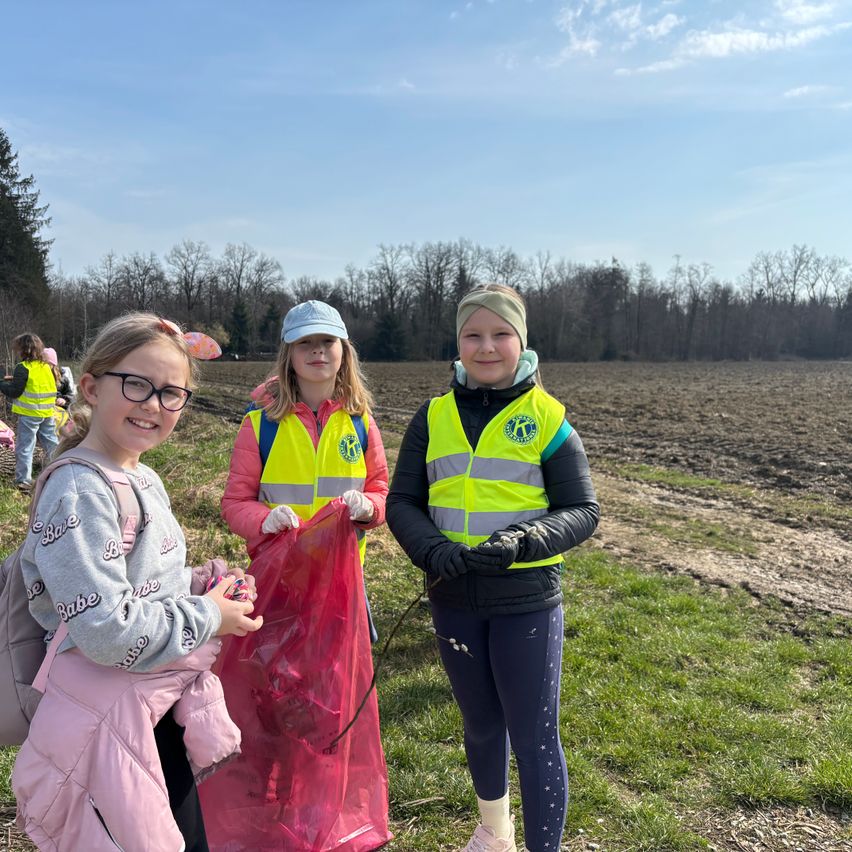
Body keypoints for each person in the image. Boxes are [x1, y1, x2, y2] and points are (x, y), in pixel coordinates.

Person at [12, 313, 263, 852]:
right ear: (89, 387)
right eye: (136, 384)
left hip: (150, 703)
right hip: (108, 720)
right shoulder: (80, 492)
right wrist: (210, 616)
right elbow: (106, 630)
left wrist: (203, 584)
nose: (153, 404)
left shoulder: (142, 475)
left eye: (172, 393)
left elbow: (142, 583)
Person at [387, 284, 600, 852]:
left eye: (500, 334)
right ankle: (494, 832)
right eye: (472, 335)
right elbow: (402, 502)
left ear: (521, 341)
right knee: (481, 724)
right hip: (452, 595)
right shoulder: (431, 417)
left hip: (526, 598)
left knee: (533, 738)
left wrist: (526, 539)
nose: (486, 347)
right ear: (457, 343)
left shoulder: (548, 418)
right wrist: (433, 551)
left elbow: (583, 510)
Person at [216, 300, 390, 847]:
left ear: (344, 353)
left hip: (341, 592)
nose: (318, 353)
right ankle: (268, 803)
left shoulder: (360, 422)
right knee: (274, 701)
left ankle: (317, 806)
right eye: (306, 344)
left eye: (328, 343)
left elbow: (382, 490)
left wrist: (369, 508)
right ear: (288, 355)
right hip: (279, 589)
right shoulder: (259, 424)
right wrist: (265, 519)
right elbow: (233, 501)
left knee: (328, 706)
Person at [0, 333, 59, 491]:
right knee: (52, 444)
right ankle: (61, 471)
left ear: (23, 349)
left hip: (31, 414)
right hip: (47, 412)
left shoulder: (23, 367)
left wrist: (0, 382)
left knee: (25, 447)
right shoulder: (46, 366)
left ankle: (24, 481)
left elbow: (14, 392)